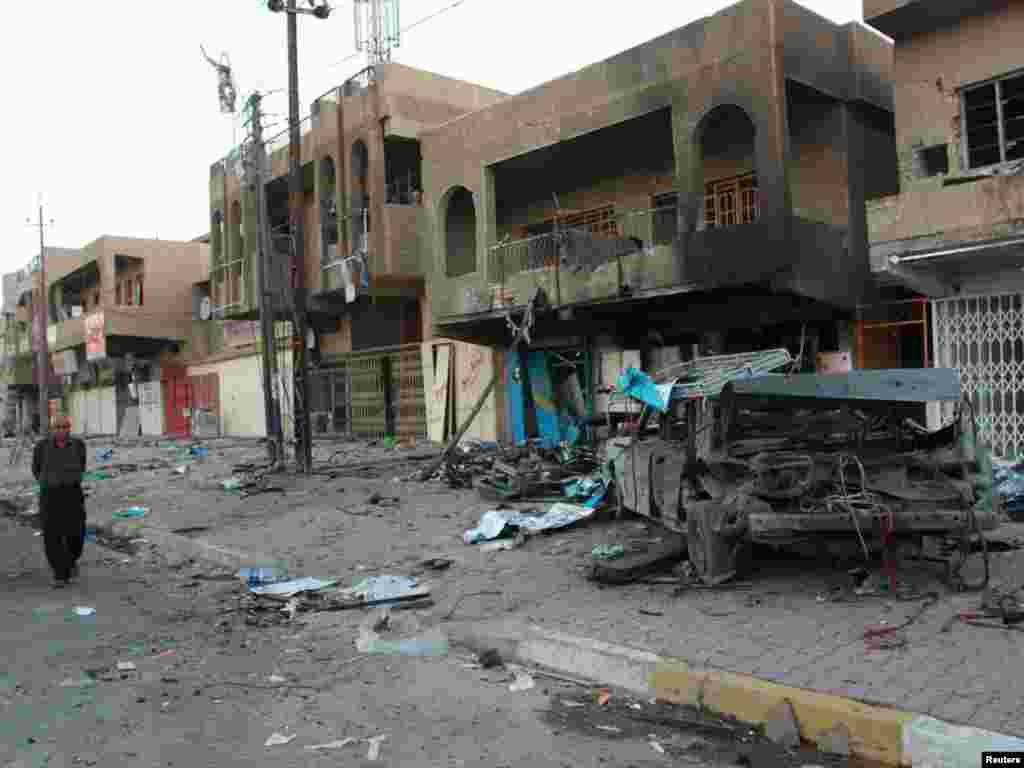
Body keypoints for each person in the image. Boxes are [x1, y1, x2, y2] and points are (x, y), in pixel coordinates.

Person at [32, 415, 87, 588]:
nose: (61, 430)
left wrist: (71, 479)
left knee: (76, 533)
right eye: (57, 427)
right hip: (50, 494)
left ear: (69, 428)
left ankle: (71, 562)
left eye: (64, 427)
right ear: (52, 429)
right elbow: (36, 469)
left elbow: (82, 466)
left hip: (72, 493)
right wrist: (48, 481)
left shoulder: (78, 445)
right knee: (52, 534)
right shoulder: (41, 446)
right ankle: (59, 573)